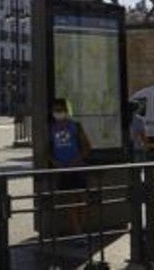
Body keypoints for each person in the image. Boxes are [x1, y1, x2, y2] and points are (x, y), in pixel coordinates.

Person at [46, 98, 92, 234]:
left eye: (60, 110)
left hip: (77, 167)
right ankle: (78, 232)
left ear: (66, 111)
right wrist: (55, 162)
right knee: (71, 201)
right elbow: (47, 150)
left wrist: (76, 160)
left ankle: (82, 229)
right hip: (63, 170)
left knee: (83, 200)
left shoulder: (75, 126)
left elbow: (87, 147)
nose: (57, 113)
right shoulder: (51, 128)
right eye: (55, 110)